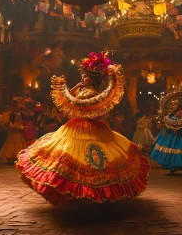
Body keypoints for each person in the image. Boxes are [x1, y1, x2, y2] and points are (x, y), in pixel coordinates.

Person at [16, 52, 149, 205]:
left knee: (87, 160)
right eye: (83, 76)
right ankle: (71, 191)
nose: (82, 79)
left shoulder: (93, 93)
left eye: (85, 77)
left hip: (90, 128)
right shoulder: (82, 89)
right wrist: (75, 86)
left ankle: (90, 191)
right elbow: (72, 96)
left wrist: (63, 90)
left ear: (92, 80)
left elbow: (77, 103)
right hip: (75, 125)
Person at [150, 91, 182, 176]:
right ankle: (172, 169)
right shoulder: (169, 116)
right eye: (173, 105)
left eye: (175, 105)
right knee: (171, 152)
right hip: (172, 136)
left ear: (179, 106)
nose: (174, 106)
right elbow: (167, 124)